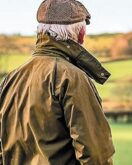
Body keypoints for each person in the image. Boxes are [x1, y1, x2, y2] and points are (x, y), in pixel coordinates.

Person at [0, 0, 115, 164]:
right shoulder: (72, 77)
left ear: (40, 32)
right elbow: (95, 155)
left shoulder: (11, 79)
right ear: (81, 34)